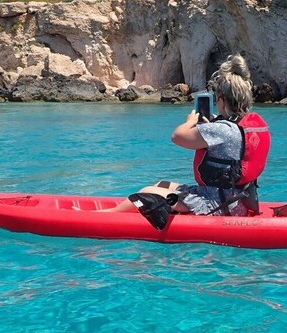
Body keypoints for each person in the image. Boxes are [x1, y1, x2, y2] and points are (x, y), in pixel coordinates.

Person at [104, 54, 271, 224]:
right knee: (161, 184)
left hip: (217, 206)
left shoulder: (221, 130)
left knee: (148, 191)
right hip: (236, 202)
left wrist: (190, 122)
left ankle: (107, 216)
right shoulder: (238, 126)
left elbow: (177, 136)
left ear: (221, 99)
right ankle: (164, 211)